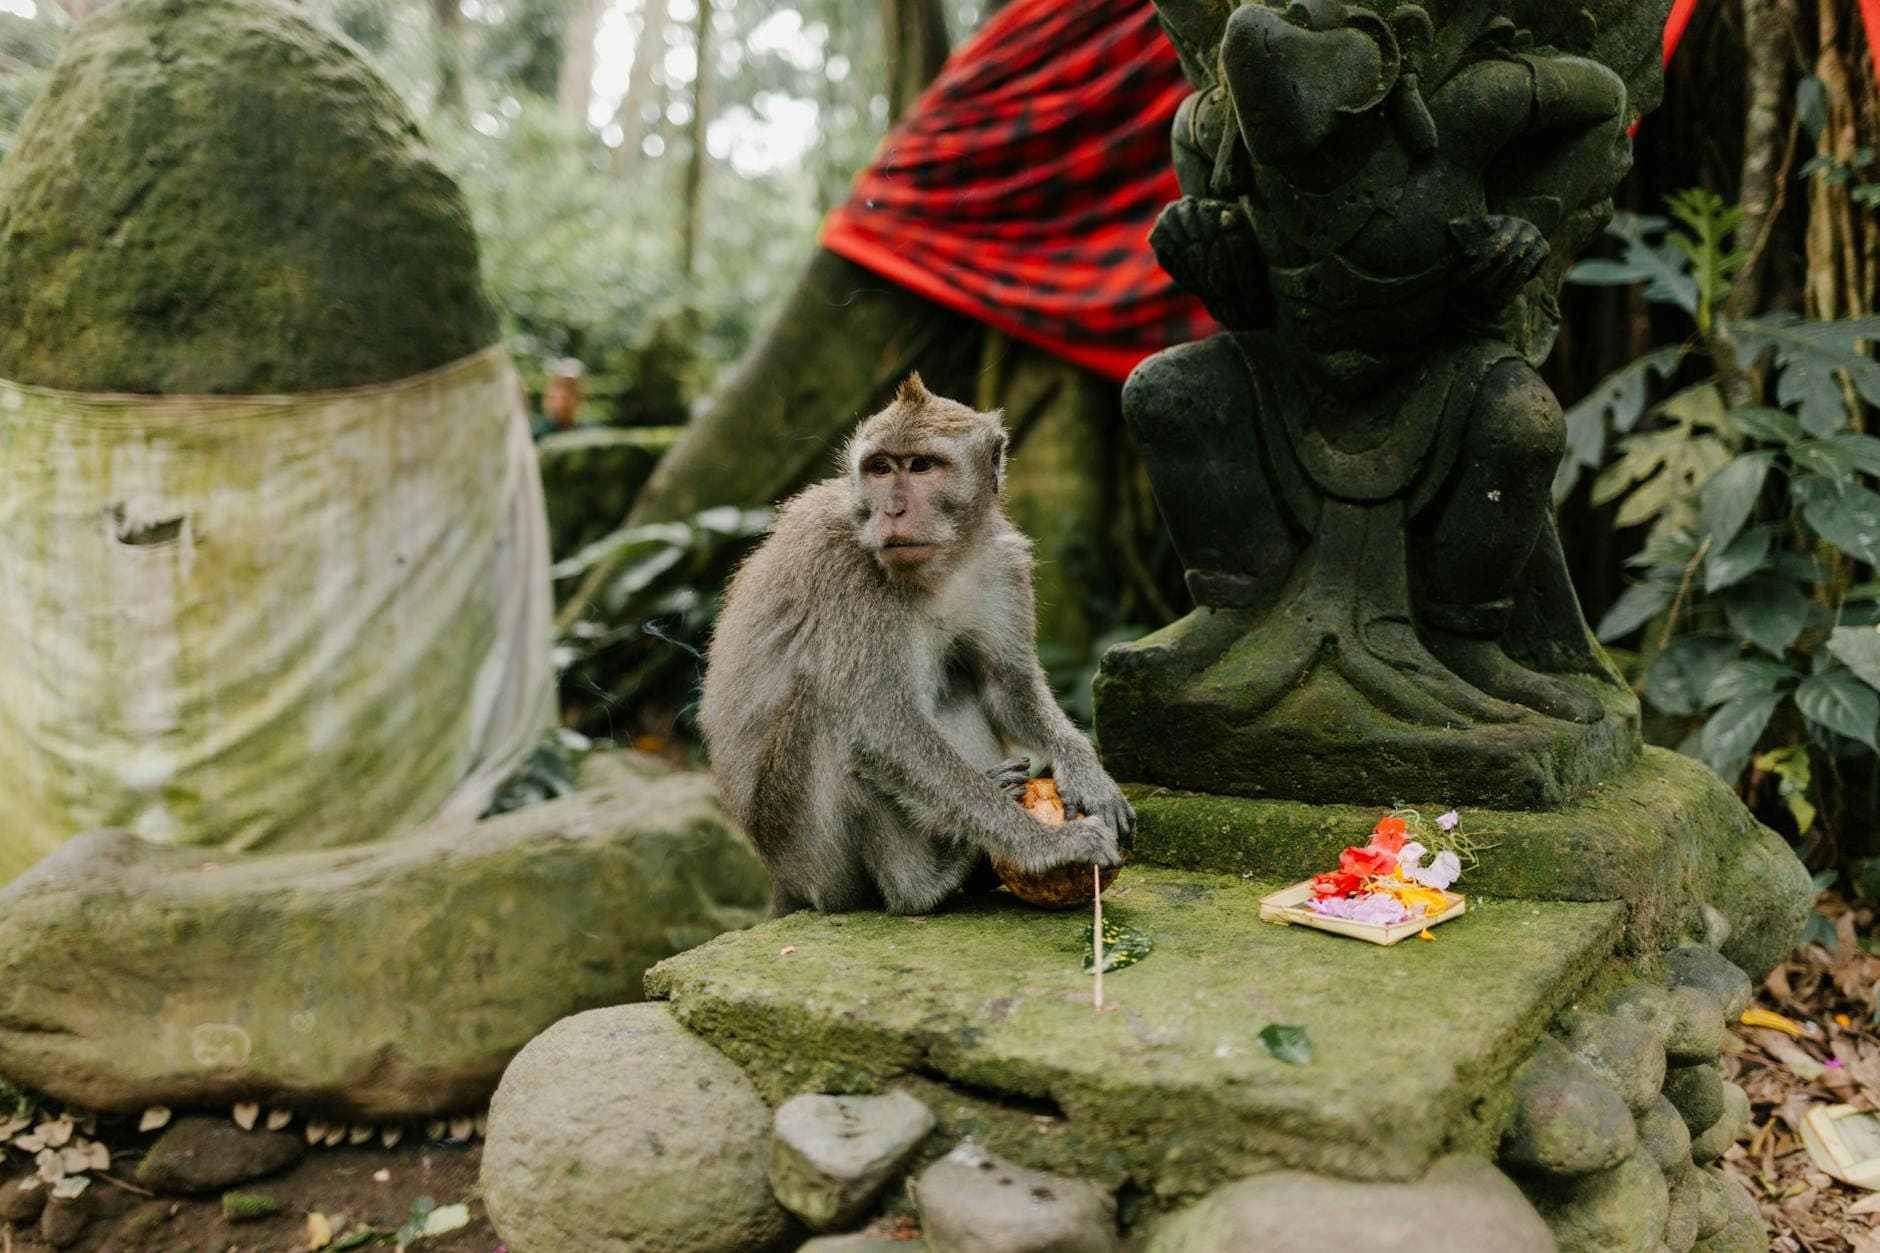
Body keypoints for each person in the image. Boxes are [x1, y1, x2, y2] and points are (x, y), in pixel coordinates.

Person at [530, 358, 585, 440]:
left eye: (571, 387)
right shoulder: (535, 433)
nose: (565, 394)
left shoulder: (589, 432)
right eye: (560, 386)